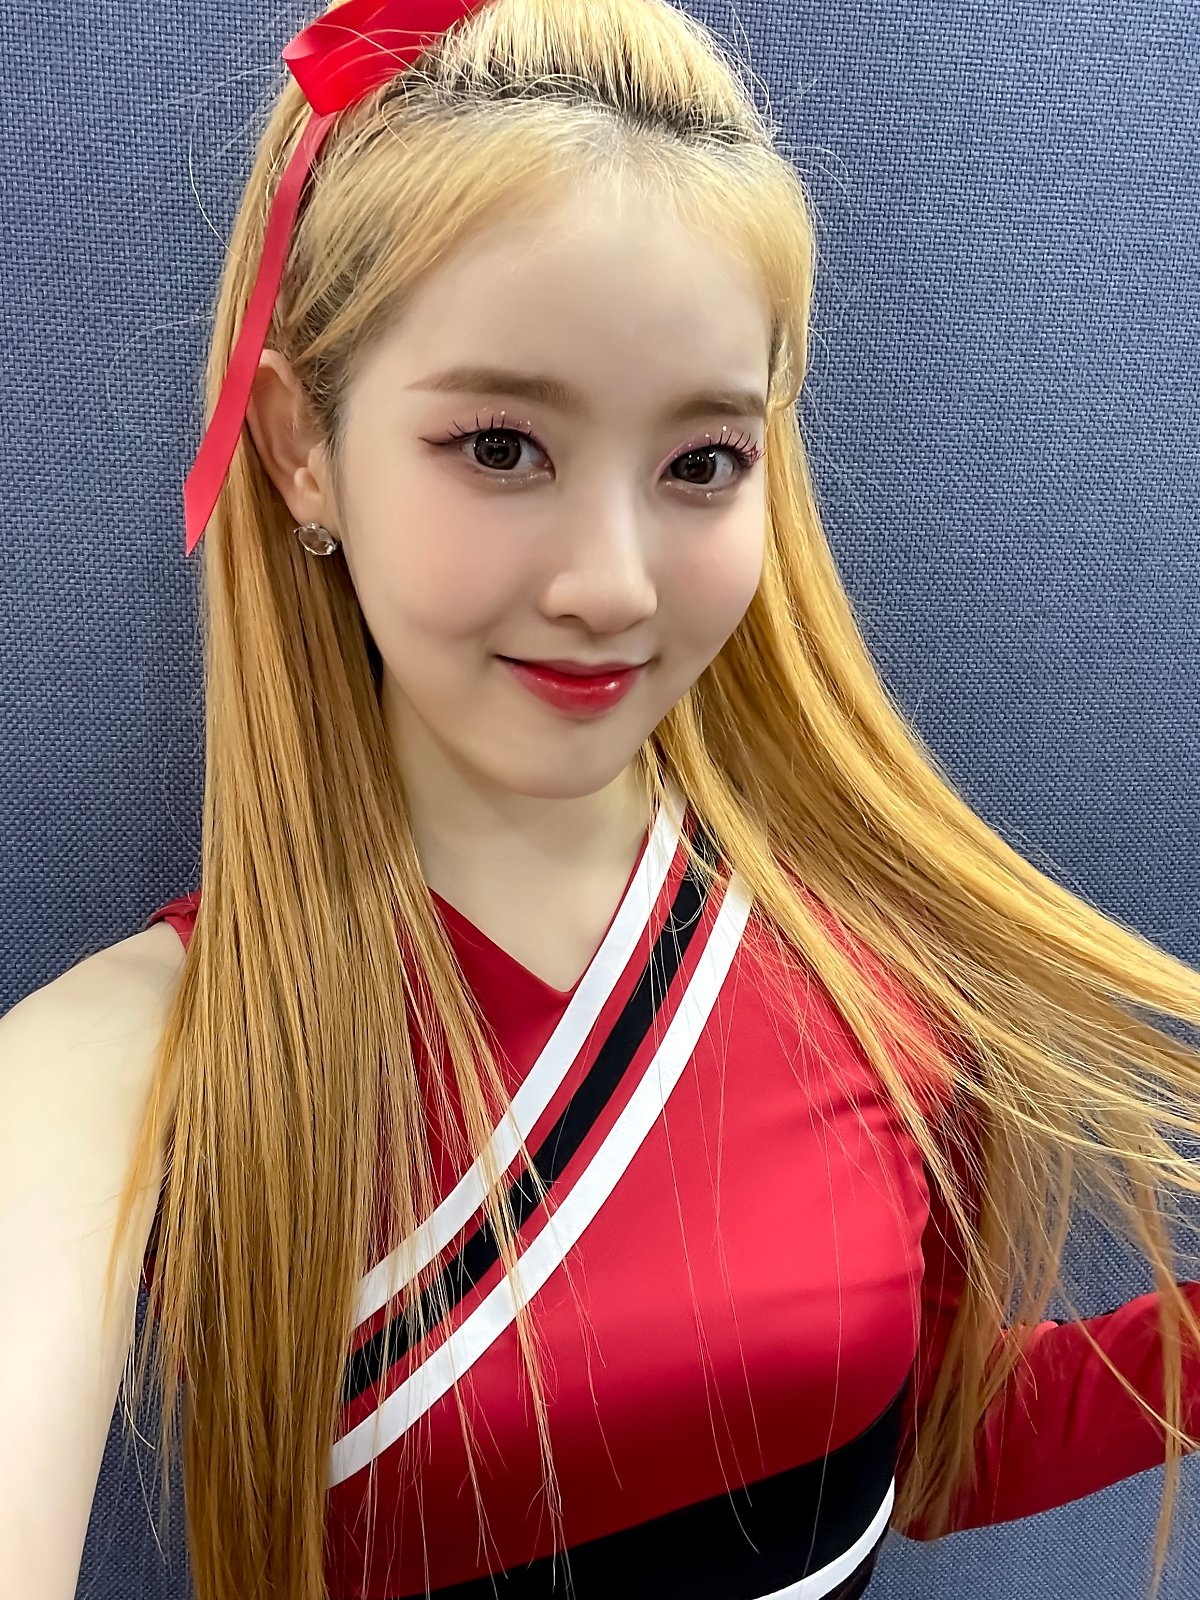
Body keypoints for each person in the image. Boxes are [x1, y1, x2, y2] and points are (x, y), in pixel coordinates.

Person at [3, 1, 1200, 1598]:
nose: (613, 586)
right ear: (302, 449)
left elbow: (922, 1450)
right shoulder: (136, 1068)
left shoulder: (877, 980)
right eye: (501, 445)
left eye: (702, 463)